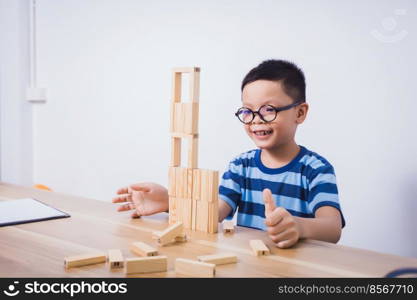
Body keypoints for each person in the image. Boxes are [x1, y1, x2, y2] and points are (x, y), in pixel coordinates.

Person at [112, 59, 345, 248]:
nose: (255, 120)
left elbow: (332, 228)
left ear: (300, 113)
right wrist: (169, 202)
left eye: (268, 110)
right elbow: (214, 213)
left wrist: (299, 227)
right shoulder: (240, 166)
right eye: (248, 111)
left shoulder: (316, 169)